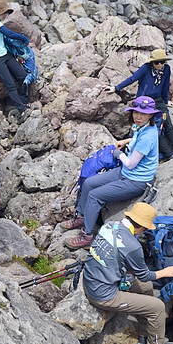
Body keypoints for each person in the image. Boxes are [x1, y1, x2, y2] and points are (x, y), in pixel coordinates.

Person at [82, 202, 173, 344]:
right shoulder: (133, 246)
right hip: (103, 294)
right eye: (146, 229)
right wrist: (164, 272)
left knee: (146, 288)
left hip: (93, 278)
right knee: (158, 307)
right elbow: (144, 275)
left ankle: (144, 334)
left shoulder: (109, 225)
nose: (146, 232)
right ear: (141, 227)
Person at [64, 95, 161, 249]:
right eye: (135, 112)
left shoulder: (147, 137)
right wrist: (126, 141)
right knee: (89, 183)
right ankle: (81, 216)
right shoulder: (145, 127)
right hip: (125, 173)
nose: (138, 116)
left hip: (135, 181)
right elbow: (136, 140)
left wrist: (118, 155)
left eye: (143, 114)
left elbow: (130, 164)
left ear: (151, 115)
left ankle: (87, 236)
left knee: (95, 196)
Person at [106, 48, 173, 160]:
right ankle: (171, 156)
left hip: (157, 100)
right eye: (157, 62)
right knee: (154, 130)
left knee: (168, 126)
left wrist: (165, 101)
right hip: (144, 102)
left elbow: (165, 85)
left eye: (162, 62)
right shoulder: (146, 68)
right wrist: (116, 88)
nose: (160, 64)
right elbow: (132, 78)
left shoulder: (166, 69)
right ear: (152, 62)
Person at [0, 0, 31, 119]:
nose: (6, 15)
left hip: (4, 55)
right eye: (4, 12)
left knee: (23, 76)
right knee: (10, 85)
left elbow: (4, 40)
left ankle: (24, 101)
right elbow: (9, 34)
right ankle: (22, 110)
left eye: (7, 12)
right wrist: (23, 39)